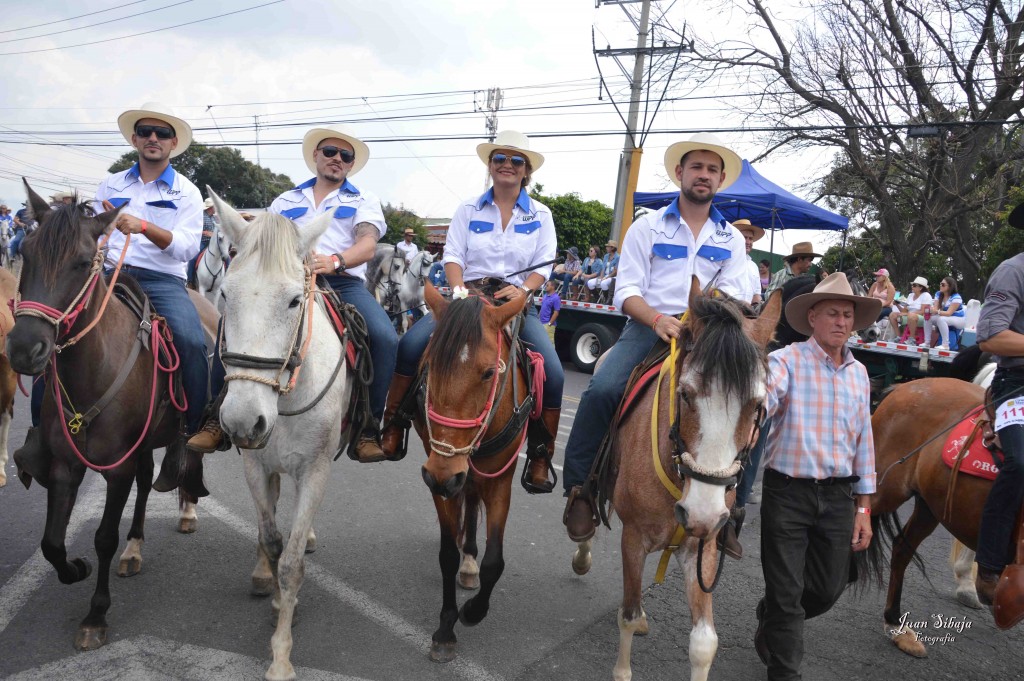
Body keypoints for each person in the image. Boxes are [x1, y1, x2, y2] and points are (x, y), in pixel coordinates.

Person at [562, 132, 747, 541]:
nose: (704, 175)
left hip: (709, 338)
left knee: (753, 402)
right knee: (602, 389)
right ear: (680, 173)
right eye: (696, 167)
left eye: (712, 170)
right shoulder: (647, 227)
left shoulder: (731, 239)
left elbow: (735, 296)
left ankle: (736, 507)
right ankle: (580, 490)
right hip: (650, 329)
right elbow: (626, 291)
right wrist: (657, 320)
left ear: (720, 181)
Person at [16, 102, 211, 488]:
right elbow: (91, 233)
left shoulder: (185, 190)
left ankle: (191, 434)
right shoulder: (112, 183)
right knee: (56, 337)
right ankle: (39, 435)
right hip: (106, 274)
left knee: (191, 339)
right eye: (145, 132)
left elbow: (187, 247)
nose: (153, 138)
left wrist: (144, 226)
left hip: (161, 279)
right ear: (135, 139)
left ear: (173, 143)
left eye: (161, 133)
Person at [189, 125, 397, 462]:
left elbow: (368, 243)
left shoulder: (363, 200)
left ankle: (369, 427)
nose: (337, 159)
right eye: (330, 152)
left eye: (345, 156)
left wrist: (335, 260)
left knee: (386, 337)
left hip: (342, 282)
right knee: (230, 327)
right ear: (316, 155)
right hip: (288, 283)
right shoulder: (286, 201)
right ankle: (213, 417)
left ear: (351, 164)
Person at [379, 130, 563, 493]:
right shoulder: (468, 209)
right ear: (490, 166)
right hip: (468, 298)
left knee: (553, 372)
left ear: (526, 171)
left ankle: (541, 453)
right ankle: (394, 423)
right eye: (500, 159)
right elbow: (453, 256)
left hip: (512, 305)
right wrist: (460, 291)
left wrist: (524, 289)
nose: (507, 165)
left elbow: (546, 264)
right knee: (411, 345)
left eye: (515, 161)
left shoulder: (541, 214)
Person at [754, 272, 878, 681]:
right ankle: (785, 670)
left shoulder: (859, 374)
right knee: (788, 595)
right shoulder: (785, 361)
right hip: (787, 494)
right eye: (832, 314)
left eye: (847, 315)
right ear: (812, 318)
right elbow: (763, 400)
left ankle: (771, 615)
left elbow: (864, 442)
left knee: (827, 589)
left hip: (840, 498)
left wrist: (864, 506)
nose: (841, 322)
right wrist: (752, 410)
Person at [973, 201, 1024, 605]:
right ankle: (990, 562)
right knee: (1021, 462)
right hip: (1017, 383)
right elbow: (990, 337)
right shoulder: (1013, 270)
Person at [922, 276, 965, 349]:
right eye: (940, 284)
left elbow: (949, 313)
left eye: (943, 284)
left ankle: (945, 344)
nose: (940, 286)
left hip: (959, 319)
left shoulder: (956, 297)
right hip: (946, 317)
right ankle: (927, 342)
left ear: (950, 286)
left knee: (941, 319)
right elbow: (935, 309)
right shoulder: (938, 294)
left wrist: (936, 311)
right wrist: (930, 311)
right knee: (928, 318)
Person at [889, 276, 932, 344]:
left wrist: (907, 314)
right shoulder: (910, 295)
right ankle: (898, 337)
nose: (912, 287)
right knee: (892, 315)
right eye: (912, 285)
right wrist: (897, 304)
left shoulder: (926, 295)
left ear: (921, 288)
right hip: (910, 316)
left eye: (914, 285)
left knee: (911, 316)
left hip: (923, 318)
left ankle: (912, 339)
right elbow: (904, 311)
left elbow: (923, 311)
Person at [734, 219, 765, 305]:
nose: (748, 242)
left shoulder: (753, 266)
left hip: (747, 314)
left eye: (750, 238)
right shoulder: (725, 261)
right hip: (726, 312)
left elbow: (756, 294)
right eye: (744, 237)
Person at [187, 197, 217, 286]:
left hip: (213, 243)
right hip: (203, 242)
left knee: (226, 256)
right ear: (211, 207)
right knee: (193, 258)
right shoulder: (201, 216)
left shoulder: (213, 218)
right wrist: (205, 233)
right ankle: (190, 280)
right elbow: (194, 228)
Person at [539, 278, 561, 344]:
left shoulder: (556, 298)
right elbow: (542, 308)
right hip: (541, 323)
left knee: (549, 343)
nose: (546, 286)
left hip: (548, 324)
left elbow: (556, 312)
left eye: (547, 285)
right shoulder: (545, 296)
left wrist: (549, 324)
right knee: (541, 342)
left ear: (553, 287)